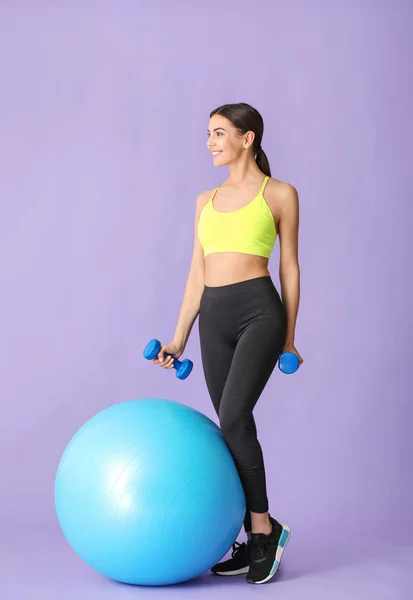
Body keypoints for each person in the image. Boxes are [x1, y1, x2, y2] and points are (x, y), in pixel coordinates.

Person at [152, 102, 303, 585]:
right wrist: (179, 338)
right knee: (231, 425)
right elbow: (197, 273)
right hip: (212, 316)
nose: (210, 142)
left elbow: (289, 268)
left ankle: (262, 533)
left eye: (220, 133)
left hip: (259, 311)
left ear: (248, 138)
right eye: (209, 134)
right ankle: (254, 530)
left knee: (235, 415)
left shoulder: (279, 194)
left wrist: (290, 337)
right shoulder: (205, 200)